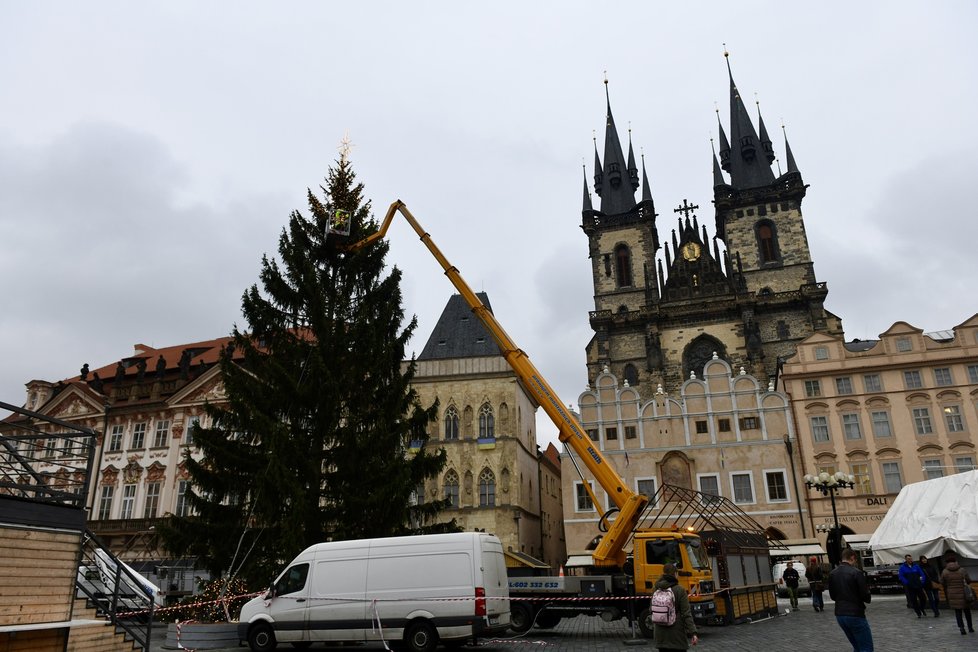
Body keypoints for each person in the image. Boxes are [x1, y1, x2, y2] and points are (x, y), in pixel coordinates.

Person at [828, 547, 873, 652]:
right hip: (855, 613)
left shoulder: (833, 573)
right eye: (856, 560)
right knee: (866, 648)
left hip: (840, 614)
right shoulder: (856, 572)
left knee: (857, 646)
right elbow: (865, 595)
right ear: (852, 558)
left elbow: (832, 596)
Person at [652, 562, 698, 651]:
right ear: (676, 574)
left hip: (660, 635)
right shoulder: (680, 590)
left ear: (663, 573)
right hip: (677, 635)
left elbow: (651, 609)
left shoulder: (655, 589)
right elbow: (686, 614)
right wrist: (693, 633)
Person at [940, 551, 974, 635]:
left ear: (947, 563)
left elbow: (942, 582)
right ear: (955, 562)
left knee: (958, 612)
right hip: (964, 593)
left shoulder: (945, 572)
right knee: (967, 611)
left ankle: (962, 628)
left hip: (952, 594)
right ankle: (970, 627)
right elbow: (968, 580)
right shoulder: (962, 570)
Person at [898, 553, 927, 618]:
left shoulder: (916, 566)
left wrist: (922, 581)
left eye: (911, 558)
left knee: (923, 598)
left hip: (918, 585)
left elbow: (922, 574)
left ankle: (921, 608)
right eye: (908, 559)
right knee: (914, 600)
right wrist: (907, 582)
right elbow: (901, 576)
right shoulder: (902, 567)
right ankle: (918, 613)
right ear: (906, 559)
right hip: (910, 586)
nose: (910, 560)